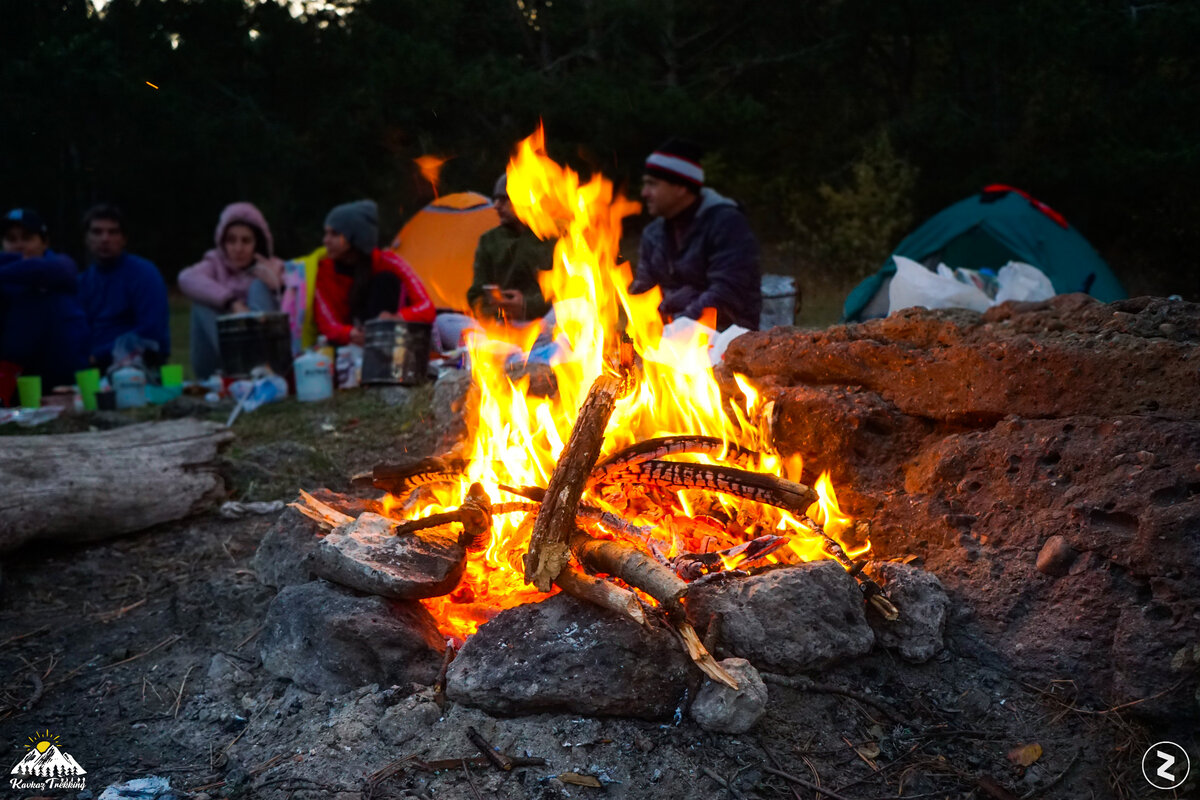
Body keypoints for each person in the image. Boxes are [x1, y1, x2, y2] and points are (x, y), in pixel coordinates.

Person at [630, 138, 761, 332]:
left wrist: (674, 324)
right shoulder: (653, 234)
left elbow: (727, 295)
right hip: (666, 342)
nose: (644, 193)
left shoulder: (727, 224)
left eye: (653, 184)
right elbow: (642, 293)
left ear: (681, 187)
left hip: (724, 342)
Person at [177, 202, 285, 379]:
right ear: (223, 242)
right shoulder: (215, 263)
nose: (238, 248)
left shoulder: (272, 267)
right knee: (201, 304)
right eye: (231, 240)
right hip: (218, 360)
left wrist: (277, 286)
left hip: (264, 357)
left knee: (259, 287)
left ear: (257, 243)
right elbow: (186, 278)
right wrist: (230, 302)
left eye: (246, 241)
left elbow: (294, 307)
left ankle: (254, 365)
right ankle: (233, 368)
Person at [314, 199, 436, 346]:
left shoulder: (388, 262)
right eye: (326, 233)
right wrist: (350, 333)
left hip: (389, 337)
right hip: (350, 343)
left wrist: (397, 318)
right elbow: (327, 323)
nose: (325, 240)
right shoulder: (325, 271)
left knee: (385, 280)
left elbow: (426, 306)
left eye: (334, 234)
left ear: (354, 237)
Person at [0, 209, 89, 392]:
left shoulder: (60, 266)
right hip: (18, 377)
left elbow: (39, 269)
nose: (19, 245)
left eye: (27, 238)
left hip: (63, 377)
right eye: (11, 239)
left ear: (45, 242)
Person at [77, 204, 170, 369]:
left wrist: (97, 356)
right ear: (86, 238)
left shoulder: (144, 274)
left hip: (136, 364)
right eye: (97, 232)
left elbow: (151, 331)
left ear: (124, 239)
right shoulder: (82, 281)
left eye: (113, 232)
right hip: (90, 367)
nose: (105, 239)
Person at [466, 174, 557, 322]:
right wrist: (498, 310)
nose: (496, 205)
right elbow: (476, 294)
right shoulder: (489, 240)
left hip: (543, 321)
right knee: (444, 321)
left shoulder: (551, 239)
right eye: (495, 199)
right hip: (503, 324)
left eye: (504, 199)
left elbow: (564, 291)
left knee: (577, 305)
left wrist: (526, 304)